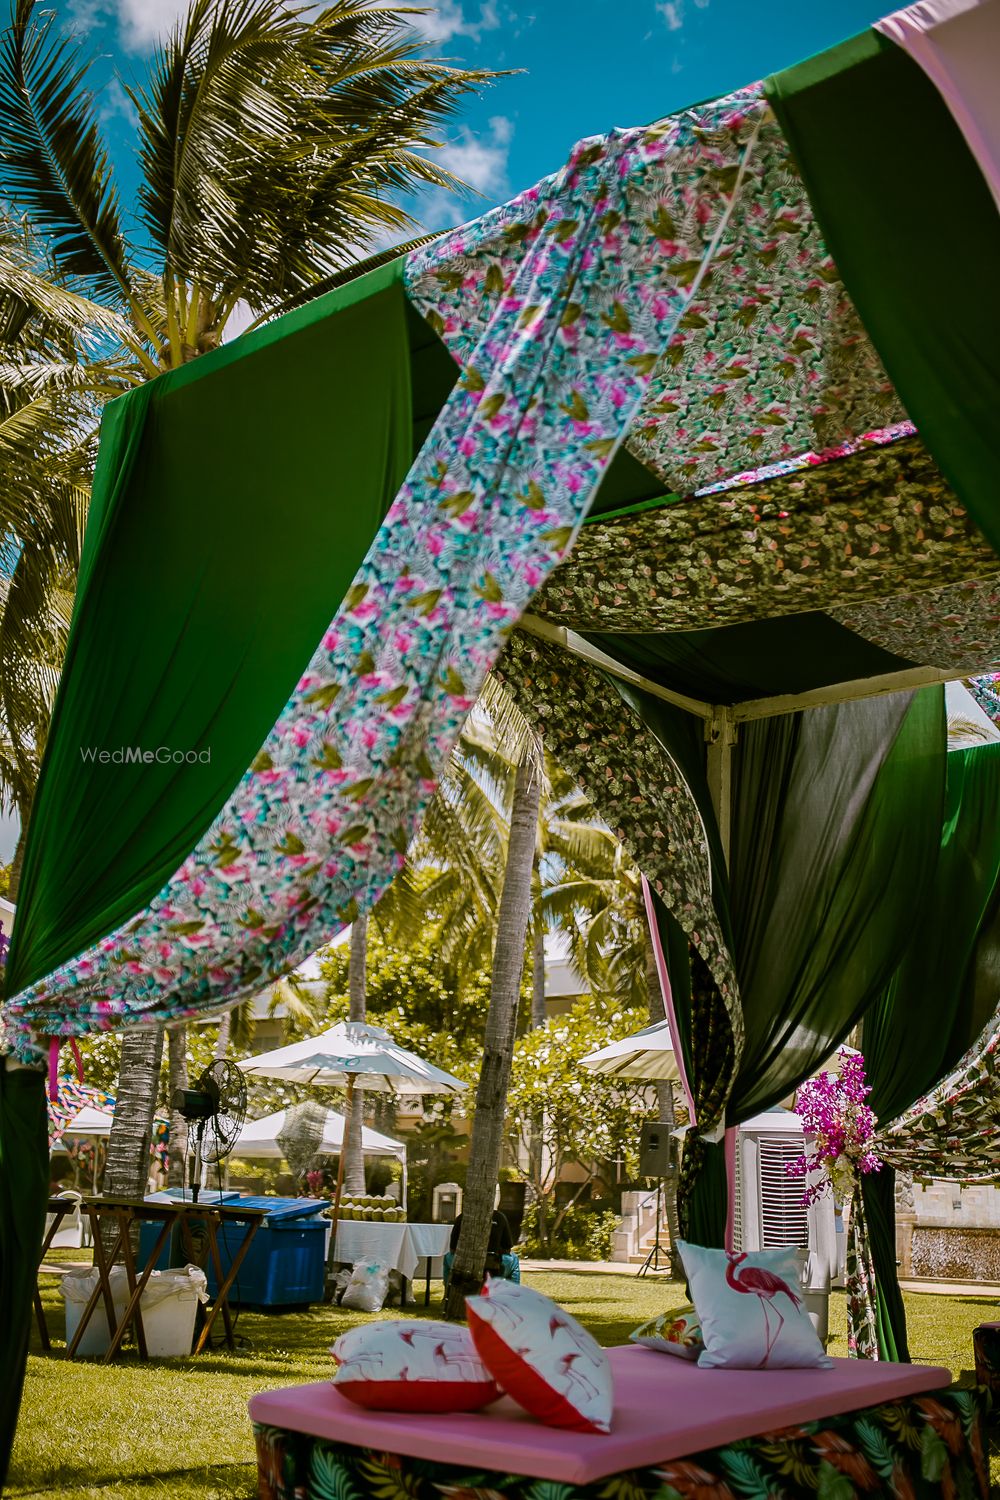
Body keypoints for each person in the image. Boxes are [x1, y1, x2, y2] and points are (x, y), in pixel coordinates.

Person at [442, 1191, 520, 1289]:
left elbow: (453, 1248)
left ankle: (448, 1292)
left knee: (447, 1257)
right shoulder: (500, 1217)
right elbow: (507, 1247)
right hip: (493, 1265)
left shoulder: (462, 1217)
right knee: (514, 1260)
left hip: (464, 1265)